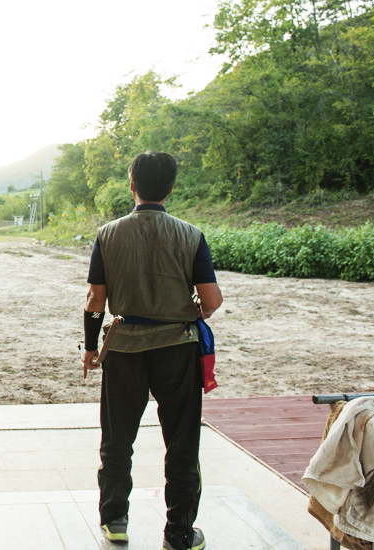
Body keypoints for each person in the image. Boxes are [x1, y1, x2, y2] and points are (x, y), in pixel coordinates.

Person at [82, 151, 222, 550]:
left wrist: (90, 347)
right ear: (171, 188)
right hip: (178, 349)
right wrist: (195, 309)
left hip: (124, 348)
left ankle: (115, 521)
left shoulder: (108, 234)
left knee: (117, 439)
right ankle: (178, 532)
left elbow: (95, 300)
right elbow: (211, 299)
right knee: (182, 442)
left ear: (132, 185)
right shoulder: (191, 235)